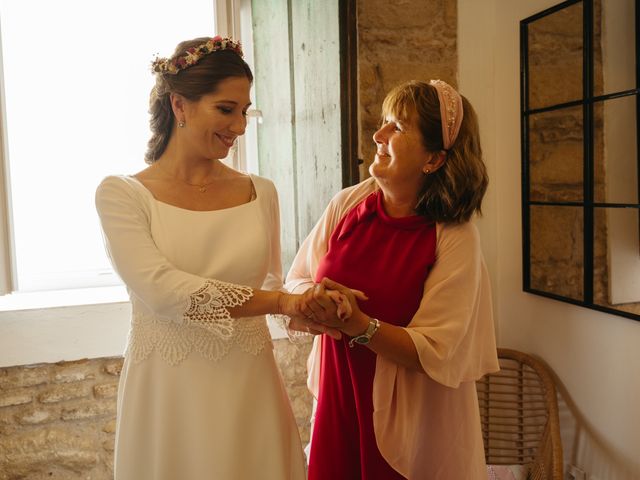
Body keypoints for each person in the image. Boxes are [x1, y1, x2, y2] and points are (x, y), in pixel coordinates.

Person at [95, 36, 335, 480]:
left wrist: (309, 301)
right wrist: (281, 303)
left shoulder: (260, 192)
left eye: (245, 111)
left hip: (250, 388)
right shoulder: (122, 194)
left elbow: (269, 285)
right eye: (226, 110)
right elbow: (162, 291)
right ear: (179, 105)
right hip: (169, 394)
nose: (239, 127)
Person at [285, 79, 500, 479]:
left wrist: (358, 325)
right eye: (384, 122)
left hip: (411, 417)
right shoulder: (348, 203)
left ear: (433, 159)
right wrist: (314, 297)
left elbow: (436, 348)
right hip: (340, 392)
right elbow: (297, 278)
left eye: (397, 128)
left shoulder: (453, 234)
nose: (377, 134)